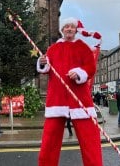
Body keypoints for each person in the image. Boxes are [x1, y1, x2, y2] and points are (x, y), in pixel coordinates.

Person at [37, 17, 102, 166]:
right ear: (62, 30)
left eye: (72, 27)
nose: (69, 29)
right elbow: (47, 68)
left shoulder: (83, 47)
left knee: (90, 140)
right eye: (66, 27)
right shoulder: (52, 49)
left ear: (75, 30)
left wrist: (80, 73)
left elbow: (91, 68)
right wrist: (42, 63)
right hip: (56, 100)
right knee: (49, 141)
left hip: (80, 99)